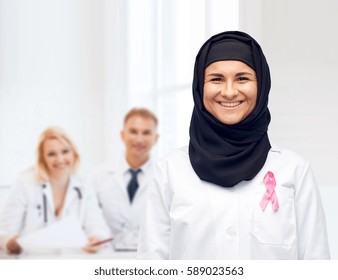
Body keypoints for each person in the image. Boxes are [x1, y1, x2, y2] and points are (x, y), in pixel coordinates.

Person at [137, 31, 330, 259]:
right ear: (200, 86)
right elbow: (150, 265)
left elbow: (316, 264)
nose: (229, 91)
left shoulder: (294, 171)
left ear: (262, 86)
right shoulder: (169, 171)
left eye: (242, 78)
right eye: (216, 79)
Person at [0, 126, 111, 255]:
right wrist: (10, 242)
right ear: (42, 158)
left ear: (74, 153)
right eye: (51, 154)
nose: (60, 159)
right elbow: (3, 231)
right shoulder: (25, 184)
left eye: (65, 151)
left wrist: (96, 239)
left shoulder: (84, 185)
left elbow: (98, 228)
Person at [89, 108, 159, 251]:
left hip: (150, 260)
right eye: (133, 131)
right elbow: (90, 218)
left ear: (156, 138)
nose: (139, 139)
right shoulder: (98, 176)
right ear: (122, 135)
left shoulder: (165, 176)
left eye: (146, 133)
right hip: (107, 257)